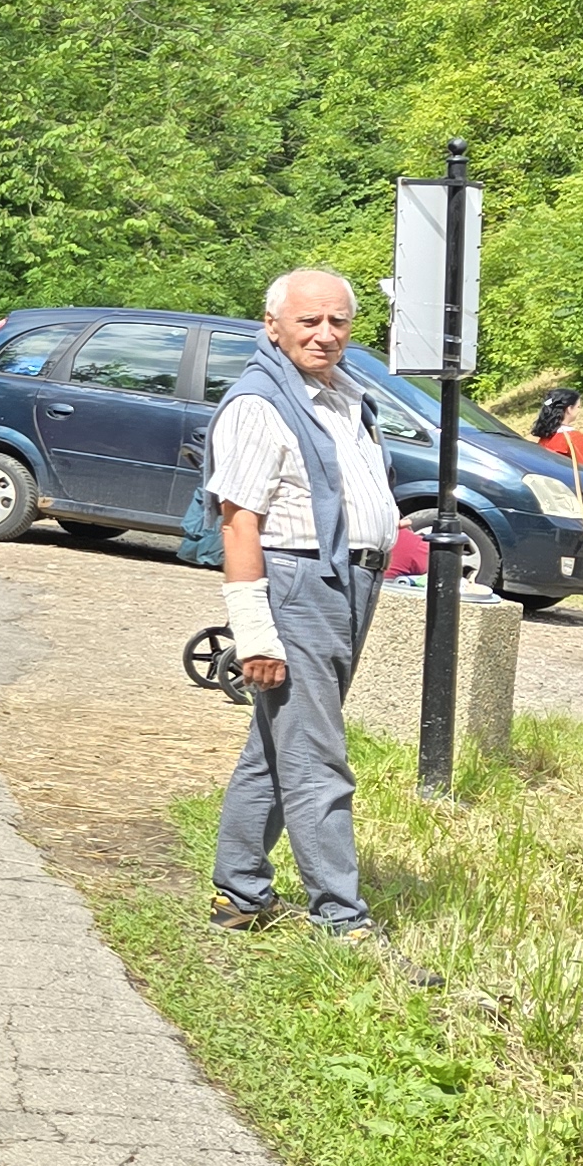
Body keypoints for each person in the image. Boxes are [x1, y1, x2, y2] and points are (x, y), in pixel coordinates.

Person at [205, 270, 400, 938]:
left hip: (347, 582)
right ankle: (342, 920)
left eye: (338, 322)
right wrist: (255, 632)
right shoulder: (260, 403)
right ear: (273, 326)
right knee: (317, 754)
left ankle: (240, 893)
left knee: (277, 742)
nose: (325, 334)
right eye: (309, 321)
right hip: (297, 584)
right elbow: (239, 521)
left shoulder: (342, 396)